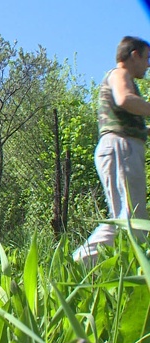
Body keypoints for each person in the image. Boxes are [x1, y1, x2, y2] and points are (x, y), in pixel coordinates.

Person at [74, 36, 150, 264]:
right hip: (121, 148)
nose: (148, 64)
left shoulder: (122, 77)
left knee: (132, 218)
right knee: (130, 219)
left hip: (122, 147)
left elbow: (128, 122)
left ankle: (95, 266)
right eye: (147, 58)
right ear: (134, 55)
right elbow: (125, 99)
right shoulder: (120, 74)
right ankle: (80, 263)